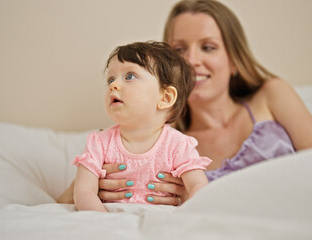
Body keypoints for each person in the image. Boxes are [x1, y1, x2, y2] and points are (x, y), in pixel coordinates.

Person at [57, 0, 312, 206]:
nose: (191, 61)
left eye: (208, 47)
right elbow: (65, 200)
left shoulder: (272, 95)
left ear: (234, 59)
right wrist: (98, 187)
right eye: (179, 50)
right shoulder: (159, 137)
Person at [72, 41, 211, 212]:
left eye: (129, 76)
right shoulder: (99, 143)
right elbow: (83, 192)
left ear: (165, 98)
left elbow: (198, 187)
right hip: (110, 224)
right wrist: (103, 222)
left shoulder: (178, 145)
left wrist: (188, 213)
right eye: (111, 79)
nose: (113, 85)